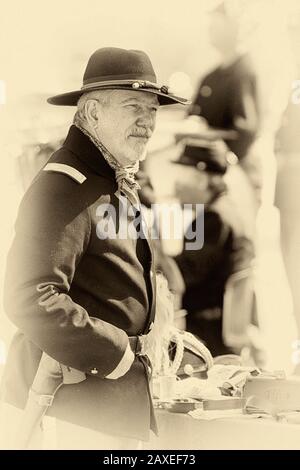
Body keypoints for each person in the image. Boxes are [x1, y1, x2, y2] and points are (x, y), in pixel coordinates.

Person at [0, 47, 188, 449]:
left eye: (152, 110)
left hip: (107, 403)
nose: (147, 122)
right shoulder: (65, 185)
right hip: (77, 405)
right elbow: (31, 296)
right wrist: (119, 354)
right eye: (134, 106)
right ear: (94, 113)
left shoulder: (105, 178)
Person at [171, 149, 254, 356]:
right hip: (220, 322)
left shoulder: (211, 219)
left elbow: (184, 274)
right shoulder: (228, 209)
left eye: (181, 177)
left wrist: (150, 254)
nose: (175, 187)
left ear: (201, 179)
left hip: (206, 330)